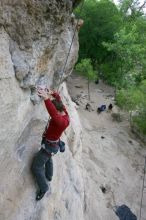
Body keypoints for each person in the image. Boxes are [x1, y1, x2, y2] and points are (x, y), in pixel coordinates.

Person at [31, 88, 70, 201]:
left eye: (55, 111)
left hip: (49, 146)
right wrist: (52, 93)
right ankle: (49, 175)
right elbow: (58, 100)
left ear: (58, 111)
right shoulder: (64, 112)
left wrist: (46, 98)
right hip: (52, 144)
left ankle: (44, 187)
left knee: (36, 167)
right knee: (48, 158)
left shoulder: (61, 121)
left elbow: (53, 113)